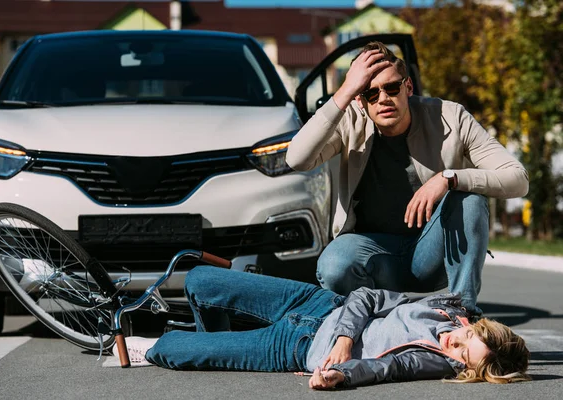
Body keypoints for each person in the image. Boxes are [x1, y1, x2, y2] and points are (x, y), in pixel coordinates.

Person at [285, 42, 529, 316]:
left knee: (469, 200)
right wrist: (344, 92)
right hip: (374, 256)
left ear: (408, 87)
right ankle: (370, 321)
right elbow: (297, 159)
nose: (384, 99)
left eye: (392, 88)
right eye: (370, 93)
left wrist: (448, 178)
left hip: (434, 253)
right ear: (359, 98)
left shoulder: (450, 117)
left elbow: (517, 178)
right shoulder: (349, 121)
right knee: (334, 264)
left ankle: (461, 318)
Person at [113, 267, 530, 390]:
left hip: (293, 347)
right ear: (477, 326)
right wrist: (347, 338)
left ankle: (144, 346)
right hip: (315, 303)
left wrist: (337, 374)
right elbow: (368, 297)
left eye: (463, 359)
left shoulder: (434, 362)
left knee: (176, 350)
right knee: (199, 280)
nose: (454, 346)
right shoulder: (445, 308)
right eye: (467, 340)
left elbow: (385, 369)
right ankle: (217, 338)